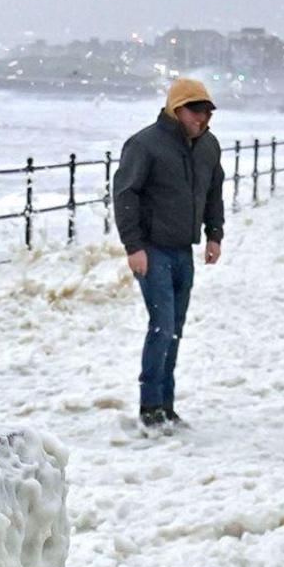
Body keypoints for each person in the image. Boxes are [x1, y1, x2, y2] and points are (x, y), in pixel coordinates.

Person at [112, 76, 225, 428]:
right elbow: (125, 194)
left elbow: (213, 193)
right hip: (152, 249)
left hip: (183, 250)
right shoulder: (145, 144)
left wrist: (214, 235)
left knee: (175, 326)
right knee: (161, 325)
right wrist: (134, 247)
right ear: (177, 109)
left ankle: (167, 405)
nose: (202, 119)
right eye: (195, 111)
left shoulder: (208, 147)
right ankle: (150, 407)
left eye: (207, 112)